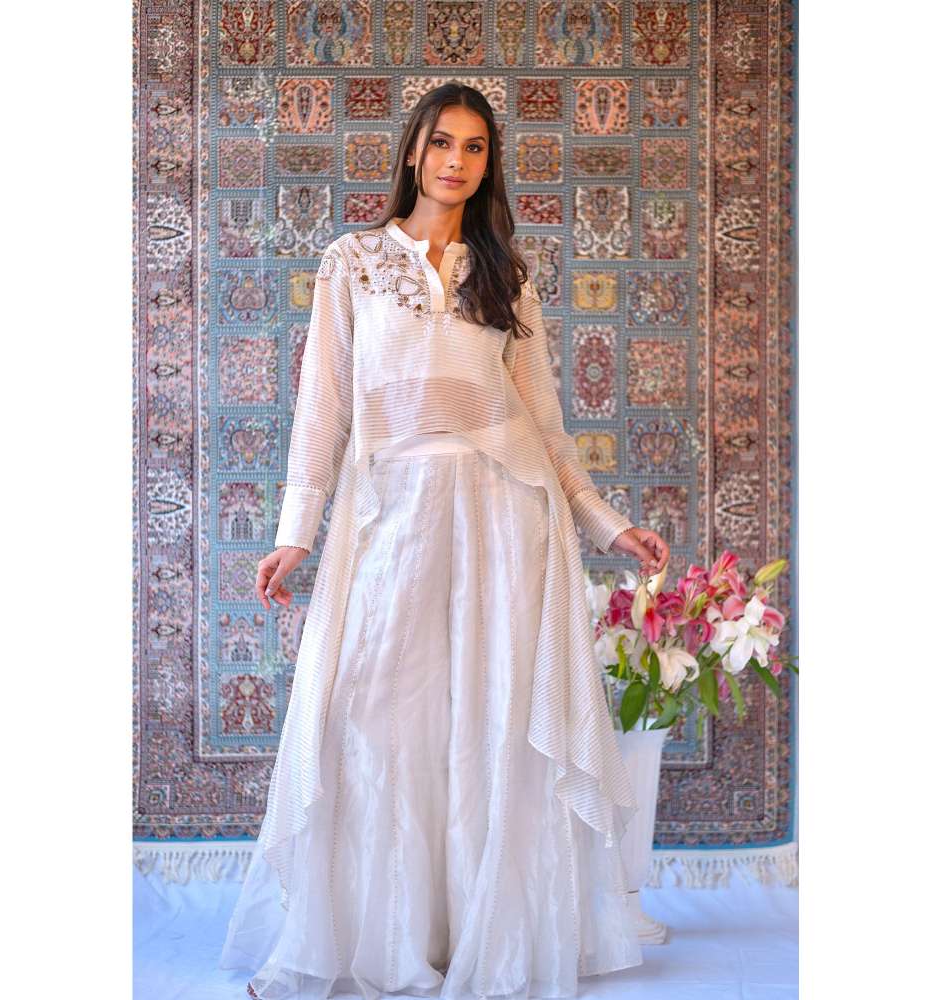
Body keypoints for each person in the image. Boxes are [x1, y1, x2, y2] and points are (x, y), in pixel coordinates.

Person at [219, 82, 670, 1000]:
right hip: (391, 509)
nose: (455, 161)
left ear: (488, 164)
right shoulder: (352, 262)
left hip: (505, 517)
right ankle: (372, 941)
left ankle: (485, 937)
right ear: (412, 152)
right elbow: (324, 407)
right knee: (371, 713)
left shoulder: (506, 276)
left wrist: (607, 522)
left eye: (473, 147)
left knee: (491, 719)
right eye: (440, 143)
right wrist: (295, 534)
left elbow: (547, 427)